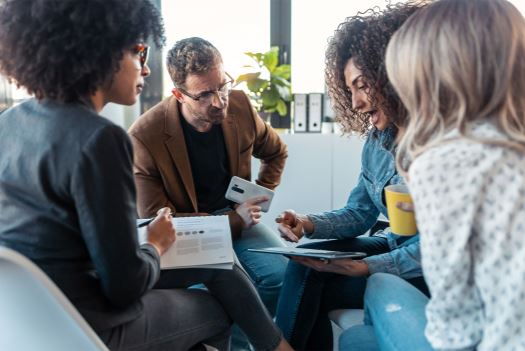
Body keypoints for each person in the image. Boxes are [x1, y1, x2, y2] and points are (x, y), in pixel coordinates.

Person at [0, 1, 293, 350]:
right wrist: (154, 244)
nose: (146, 68)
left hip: (30, 319)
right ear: (100, 53)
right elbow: (125, 285)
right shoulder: (101, 139)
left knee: (220, 263)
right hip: (95, 323)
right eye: (138, 50)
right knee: (221, 308)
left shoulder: (10, 122)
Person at [342, 0, 525, 350]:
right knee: (359, 338)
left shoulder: (448, 157)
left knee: (365, 319)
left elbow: (457, 330)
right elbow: (358, 211)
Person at [273, 3, 428, 349]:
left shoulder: (438, 145)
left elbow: (445, 248)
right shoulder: (377, 141)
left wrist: (370, 267)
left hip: (427, 269)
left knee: (315, 283)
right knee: (307, 261)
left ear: (393, 75)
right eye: (350, 91)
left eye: (361, 85)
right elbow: (360, 213)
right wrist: (307, 223)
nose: (355, 102)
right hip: (392, 243)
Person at [128, 37, 288, 317]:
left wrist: (256, 197)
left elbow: (276, 152)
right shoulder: (144, 137)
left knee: (284, 276)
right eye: (204, 95)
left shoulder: (239, 105)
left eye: (222, 86)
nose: (219, 102)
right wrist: (235, 220)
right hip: (187, 232)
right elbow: (159, 219)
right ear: (179, 95)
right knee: (215, 296)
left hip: (236, 215)